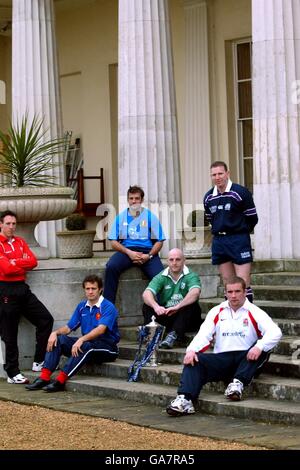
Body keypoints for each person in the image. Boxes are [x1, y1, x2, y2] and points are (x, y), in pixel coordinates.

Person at [166, 276, 282, 416]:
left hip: (245, 360)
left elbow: (275, 332)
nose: (233, 296)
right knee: (194, 359)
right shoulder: (217, 311)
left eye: (237, 291)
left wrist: (259, 346)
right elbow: (204, 335)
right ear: (225, 293)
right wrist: (191, 350)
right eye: (230, 292)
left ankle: (237, 384)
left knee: (264, 347)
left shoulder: (254, 311)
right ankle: (185, 400)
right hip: (222, 360)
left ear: (245, 292)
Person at [26, 274, 120, 392]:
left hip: (107, 347)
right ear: (84, 290)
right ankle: (44, 378)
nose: (90, 292)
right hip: (88, 343)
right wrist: (55, 333)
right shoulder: (82, 306)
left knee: (85, 345)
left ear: (100, 289)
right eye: (87, 289)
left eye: (93, 288)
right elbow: (69, 327)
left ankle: (60, 381)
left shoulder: (107, 306)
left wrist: (81, 339)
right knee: (59, 340)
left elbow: (101, 329)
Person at [0, 210, 54, 384]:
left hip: (23, 289)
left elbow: (33, 262)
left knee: (45, 319)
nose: (11, 227)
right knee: (9, 333)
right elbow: (6, 270)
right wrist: (18, 263)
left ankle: (38, 362)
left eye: (14, 224)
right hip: (6, 290)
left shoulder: (21, 241)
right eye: (8, 223)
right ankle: (12, 373)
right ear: (0, 224)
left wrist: (15, 261)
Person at [203, 161, 258, 302]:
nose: (217, 177)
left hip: (238, 240)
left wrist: (240, 230)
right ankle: (230, 319)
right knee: (228, 283)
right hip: (220, 242)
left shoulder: (240, 192)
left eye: (220, 173)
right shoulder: (208, 197)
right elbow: (211, 219)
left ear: (227, 173)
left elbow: (252, 218)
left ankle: (247, 319)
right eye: (214, 174)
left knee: (243, 282)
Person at [104, 185, 165, 303]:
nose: (134, 201)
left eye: (137, 198)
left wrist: (149, 256)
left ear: (141, 200)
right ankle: (108, 310)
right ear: (128, 200)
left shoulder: (150, 216)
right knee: (111, 267)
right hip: (127, 251)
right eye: (131, 198)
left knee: (161, 277)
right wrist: (129, 252)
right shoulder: (121, 217)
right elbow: (113, 241)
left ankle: (166, 312)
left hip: (147, 252)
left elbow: (159, 241)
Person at [142, 248, 202, 349]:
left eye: (178, 259)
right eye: (171, 260)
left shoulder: (191, 275)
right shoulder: (161, 276)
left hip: (186, 318)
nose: (174, 263)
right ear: (167, 261)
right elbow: (146, 294)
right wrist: (156, 307)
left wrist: (178, 307)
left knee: (191, 305)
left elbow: (195, 293)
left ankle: (173, 336)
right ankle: (151, 334)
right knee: (147, 305)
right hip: (168, 314)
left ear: (184, 260)